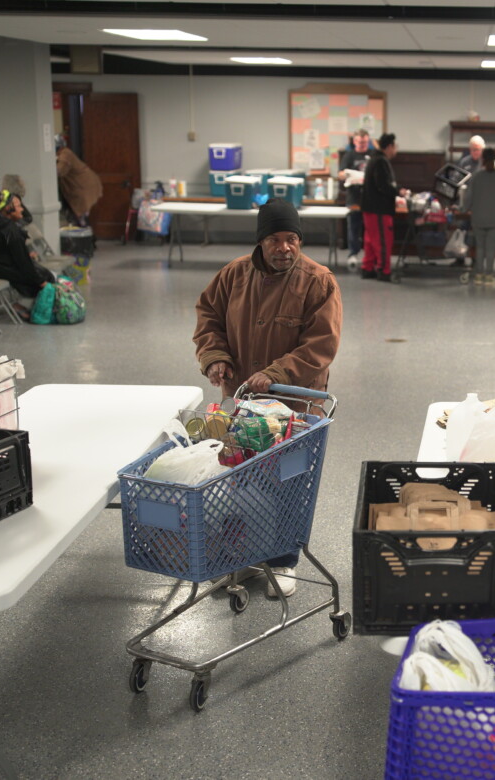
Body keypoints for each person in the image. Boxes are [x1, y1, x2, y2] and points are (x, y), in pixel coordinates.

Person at [192, 198, 343, 598]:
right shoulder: (233, 275)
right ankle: (242, 555)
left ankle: (283, 561)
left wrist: (275, 374)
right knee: (239, 479)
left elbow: (321, 345)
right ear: (260, 242)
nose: (285, 248)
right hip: (241, 403)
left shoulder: (318, 281)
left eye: (292, 239)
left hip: (293, 409)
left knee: (287, 480)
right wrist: (215, 358)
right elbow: (208, 316)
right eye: (275, 239)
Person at [0, 189, 55, 319]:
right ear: (8, 208)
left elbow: (2, 249)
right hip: (3, 269)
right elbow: (23, 263)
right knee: (46, 277)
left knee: (38, 270)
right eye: (18, 206)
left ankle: (19, 305)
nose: (22, 209)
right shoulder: (11, 231)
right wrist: (42, 282)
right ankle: (38, 309)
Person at [459, 148, 495, 286]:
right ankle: (489, 275)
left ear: (482, 159)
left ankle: (479, 274)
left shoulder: (476, 176)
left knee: (480, 247)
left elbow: (469, 197)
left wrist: (464, 209)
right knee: (491, 248)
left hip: (478, 217)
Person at [361, 132, 409, 282]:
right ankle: (384, 270)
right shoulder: (381, 161)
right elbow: (384, 185)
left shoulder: (373, 159)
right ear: (389, 146)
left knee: (370, 240)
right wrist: (399, 192)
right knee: (382, 240)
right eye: (395, 147)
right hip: (379, 209)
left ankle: (368, 268)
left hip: (369, 208)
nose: (396, 150)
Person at [338, 128, 372, 267]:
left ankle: (370, 255)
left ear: (368, 141)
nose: (362, 144)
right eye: (359, 142)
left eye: (365, 142)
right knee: (353, 226)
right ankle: (353, 254)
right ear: (354, 141)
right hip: (354, 196)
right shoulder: (349, 155)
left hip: (370, 197)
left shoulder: (373, 154)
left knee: (370, 227)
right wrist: (349, 175)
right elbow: (340, 174)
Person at [55, 135, 103, 227]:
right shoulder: (62, 154)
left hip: (83, 187)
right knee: (79, 217)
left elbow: (59, 171)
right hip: (80, 187)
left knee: (81, 217)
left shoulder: (65, 153)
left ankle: (86, 238)